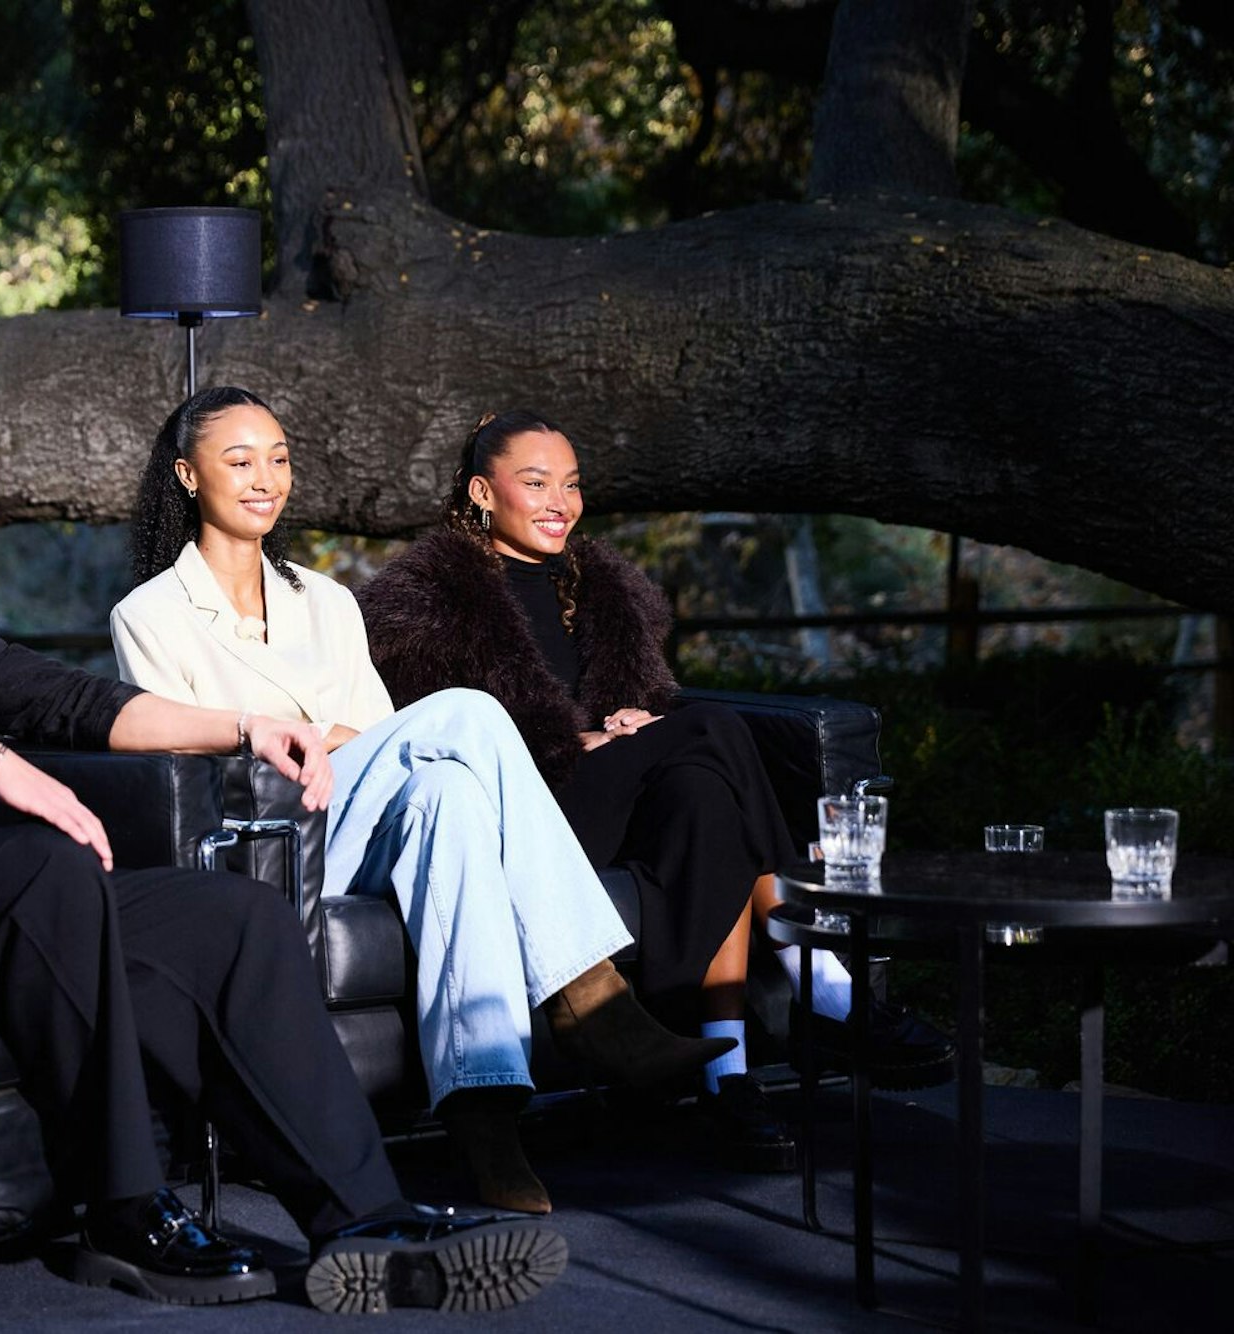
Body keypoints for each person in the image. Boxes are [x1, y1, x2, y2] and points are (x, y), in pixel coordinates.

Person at [0, 345, 567, 1314]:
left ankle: (363, 1219)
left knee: (234, 919)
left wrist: (243, 726)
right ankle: (123, 1211)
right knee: (42, 858)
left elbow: (65, 701)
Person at [110, 386, 732, 1213]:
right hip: (261, 830)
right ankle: (591, 996)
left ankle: (484, 1118)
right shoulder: (148, 614)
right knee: (467, 716)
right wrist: (303, 733)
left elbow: (376, 736)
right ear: (189, 476)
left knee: (448, 793)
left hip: (355, 815)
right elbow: (171, 755)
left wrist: (337, 738)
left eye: (280, 459)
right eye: (240, 461)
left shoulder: (325, 602)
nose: (266, 479)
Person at [355, 409, 956, 1171]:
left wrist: (636, 719)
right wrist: (573, 740)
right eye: (535, 483)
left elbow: (649, 708)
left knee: (706, 788)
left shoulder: (606, 590)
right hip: (523, 815)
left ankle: (725, 1074)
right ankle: (825, 978)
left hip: (610, 797)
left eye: (571, 485)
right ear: (481, 491)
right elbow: (436, 739)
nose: (558, 502)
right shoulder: (425, 603)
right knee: (711, 732)